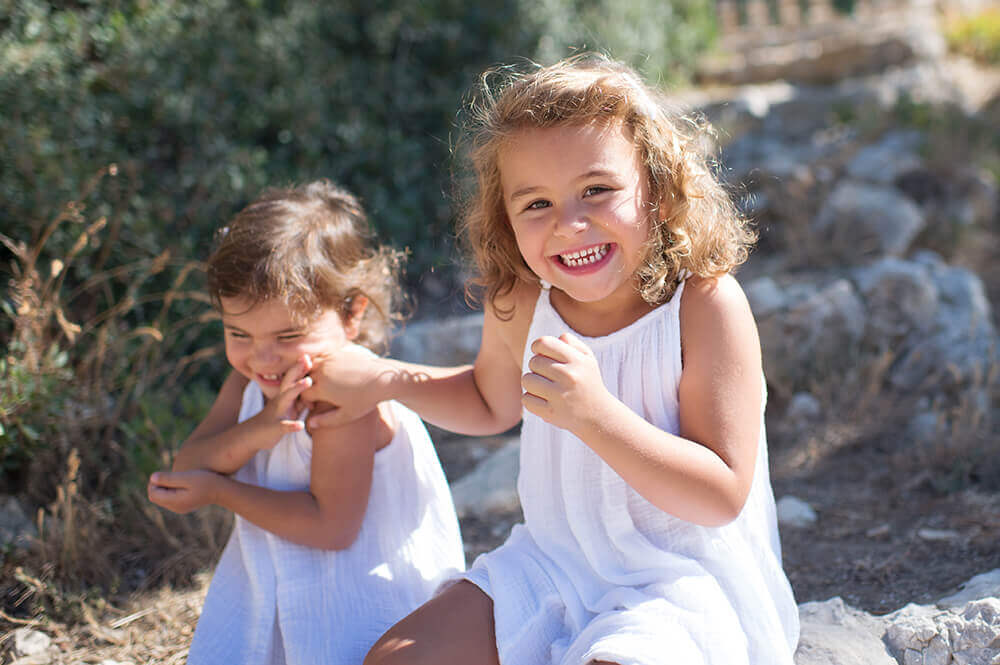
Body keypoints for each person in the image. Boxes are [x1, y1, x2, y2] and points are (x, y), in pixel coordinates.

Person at [305, 54, 799, 664]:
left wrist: (595, 415)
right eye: (536, 204)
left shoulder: (702, 306)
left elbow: (720, 495)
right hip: (552, 563)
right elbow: (490, 402)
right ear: (506, 222)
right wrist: (383, 381)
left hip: (679, 581)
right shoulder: (520, 299)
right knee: (395, 659)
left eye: (597, 190)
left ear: (661, 192)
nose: (570, 223)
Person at [146, 180, 465, 665]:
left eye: (288, 334)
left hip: (356, 604)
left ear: (352, 312)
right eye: (238, 332)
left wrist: (220, 491)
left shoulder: (343, 401)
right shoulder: (251, 379)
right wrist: (261, 429)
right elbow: (191, 461)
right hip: (278, 593)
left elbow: (331, 528)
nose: (262, 357)